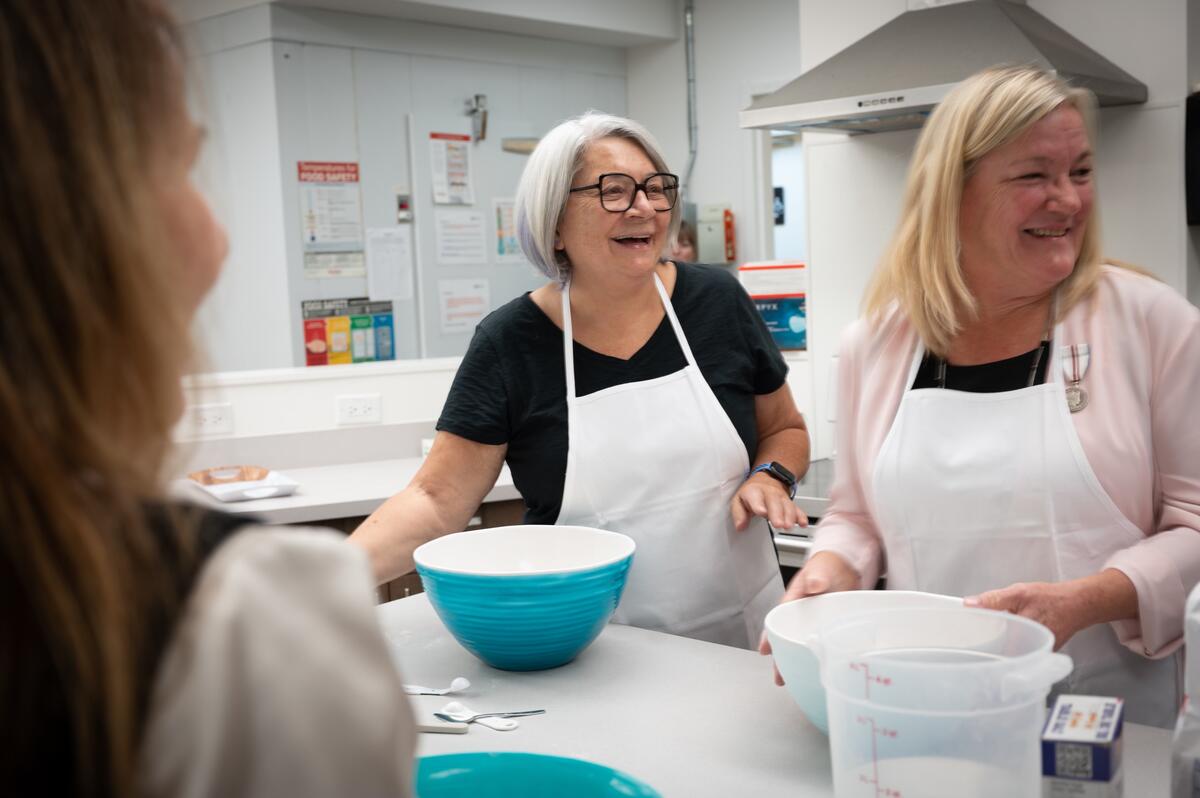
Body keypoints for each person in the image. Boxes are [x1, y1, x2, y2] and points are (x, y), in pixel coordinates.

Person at [0, 2, 416, 795]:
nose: (219, 242)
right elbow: (436, 492)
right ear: (67, 225)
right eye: (178, 167)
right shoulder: (230, 621)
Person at [769, 65, 1200, 728]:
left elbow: (1195, 523)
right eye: (1034, 176)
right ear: (954, 194)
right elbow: (856, 519)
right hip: (928, 711)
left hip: (1111, 724)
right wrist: (827, 574)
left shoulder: (1152, 323)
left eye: (1080, 172)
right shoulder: (877, 347)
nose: (1068, 200)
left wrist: (1087, 599)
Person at [351, 111, 809, 649]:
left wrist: (771, 475)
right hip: (588, 648)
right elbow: (436, 501)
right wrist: (318, 586)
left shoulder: (718, 301)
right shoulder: (510, 343)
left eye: (655, 188)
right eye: (613, 191)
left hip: (739, 640)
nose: (643, 207)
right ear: (555, 223)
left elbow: (785, 429)